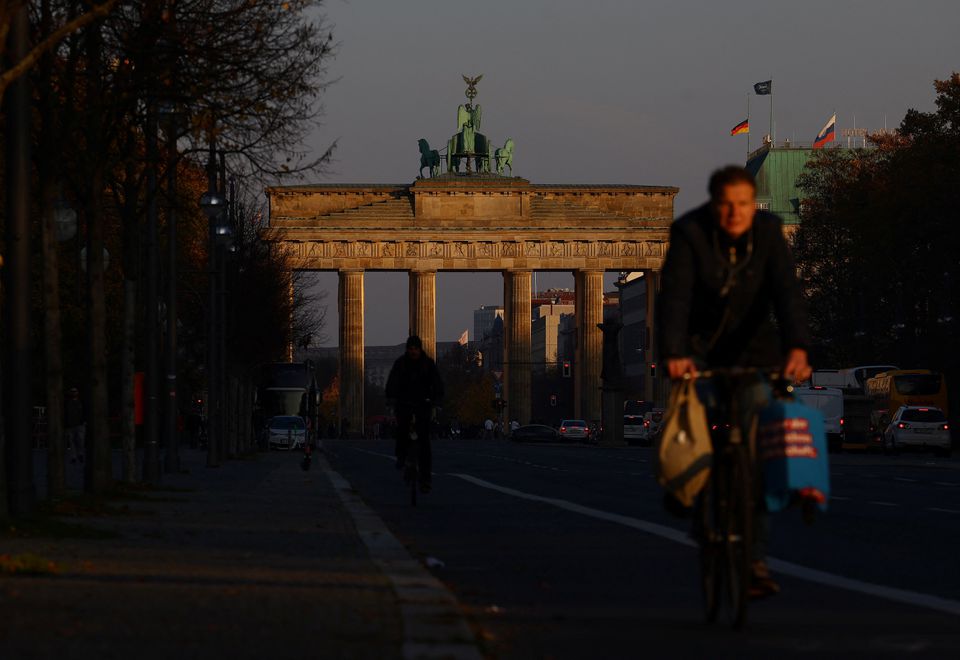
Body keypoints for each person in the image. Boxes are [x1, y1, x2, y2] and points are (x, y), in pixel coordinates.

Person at [658, 165, 812, 599]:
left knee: (759, 445)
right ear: (714, 204)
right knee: (690, 428)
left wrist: (798, 346)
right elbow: (675, 298)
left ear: (752, 204)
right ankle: (687, 492)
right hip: (701, 348)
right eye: (726, 204)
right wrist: (674, 353)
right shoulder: (690, 234)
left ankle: (755, 556)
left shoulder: (768, 234)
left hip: (754, 351)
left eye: (744, 203)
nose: (735, 213)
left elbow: (788, 295)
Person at [385, 335, 444, 493]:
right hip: (404, 403)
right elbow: (392, 382)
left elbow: (437, 383)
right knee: (402, 429)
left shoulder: (428, 364)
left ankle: (425, 479)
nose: (413, 351)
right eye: (410, 348)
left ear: (420, 349)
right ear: (408, 349)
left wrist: (437, 398)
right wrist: (391, 397)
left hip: (422, 404)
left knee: (424, 442)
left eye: (415, 348)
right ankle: (401, 456)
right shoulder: (400, 364)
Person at [65, 387, 85, 464]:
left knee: (80, 441)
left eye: (75, 391)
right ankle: (74, 457)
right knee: (72, 442)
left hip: (80, 424)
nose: (74, 393)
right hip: (70, 425)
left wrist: (84, 421)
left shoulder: (81, 402)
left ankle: (80, 454)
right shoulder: (68, 402)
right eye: (72, 392)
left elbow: (84, 411)